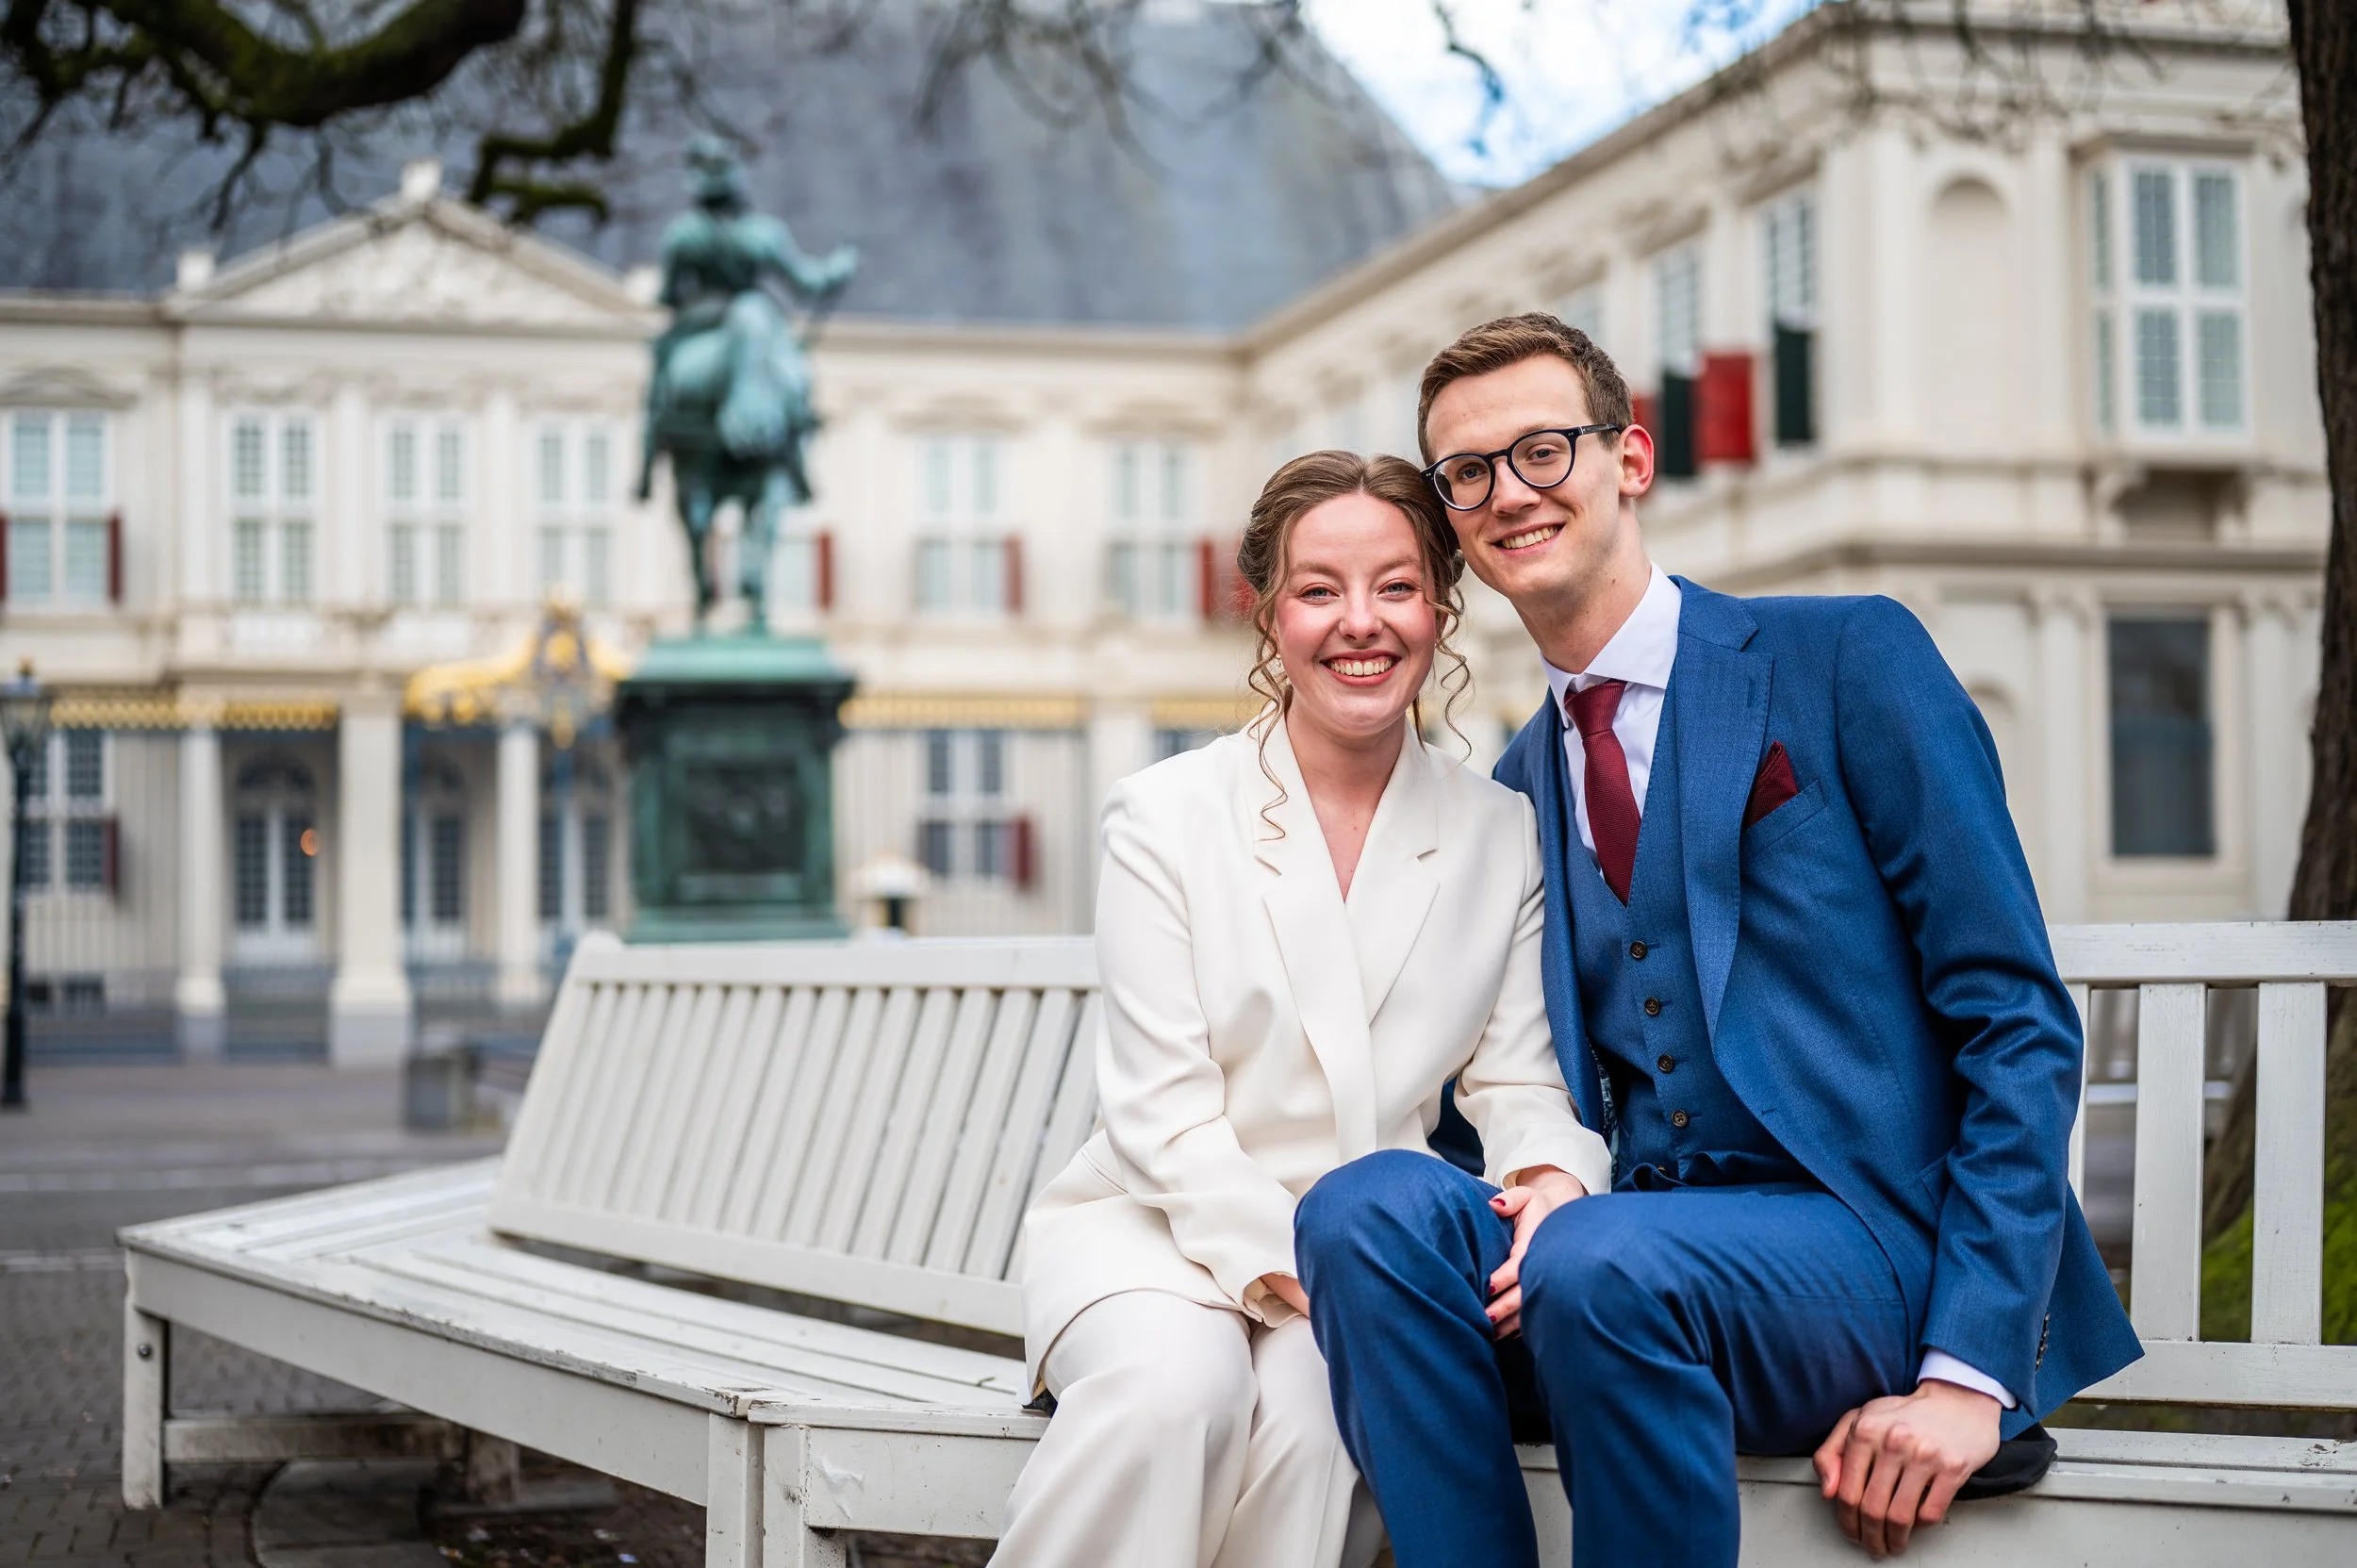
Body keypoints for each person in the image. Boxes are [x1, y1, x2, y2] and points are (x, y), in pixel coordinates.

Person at [1294, 315, 2142, 1568]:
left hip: (1872, 1252)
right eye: (1465, 472)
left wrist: (1967, 1372)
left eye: (1541, 450)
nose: (1506, 493)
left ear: (1629, 459)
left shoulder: (1845, 654)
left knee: (1599, 1259)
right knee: (1366, 1209)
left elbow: (2013, 1016)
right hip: (1619, 1262)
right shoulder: (1513, 788)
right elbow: (1512, 1080)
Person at [993, 451, 1611, 1568]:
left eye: (1395, 586)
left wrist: (1552, 1182)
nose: (1359, 623)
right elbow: (1163, 1120)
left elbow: (1518, 1081)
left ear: (1439, 605)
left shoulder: (1496, 832)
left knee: (1325, 1433)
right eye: (1319, 589)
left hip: (1362, 1263)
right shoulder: (1164, 816)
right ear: (1267, 613)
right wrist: (1306, 1267)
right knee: (1172, 1398)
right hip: (1154, 1233)